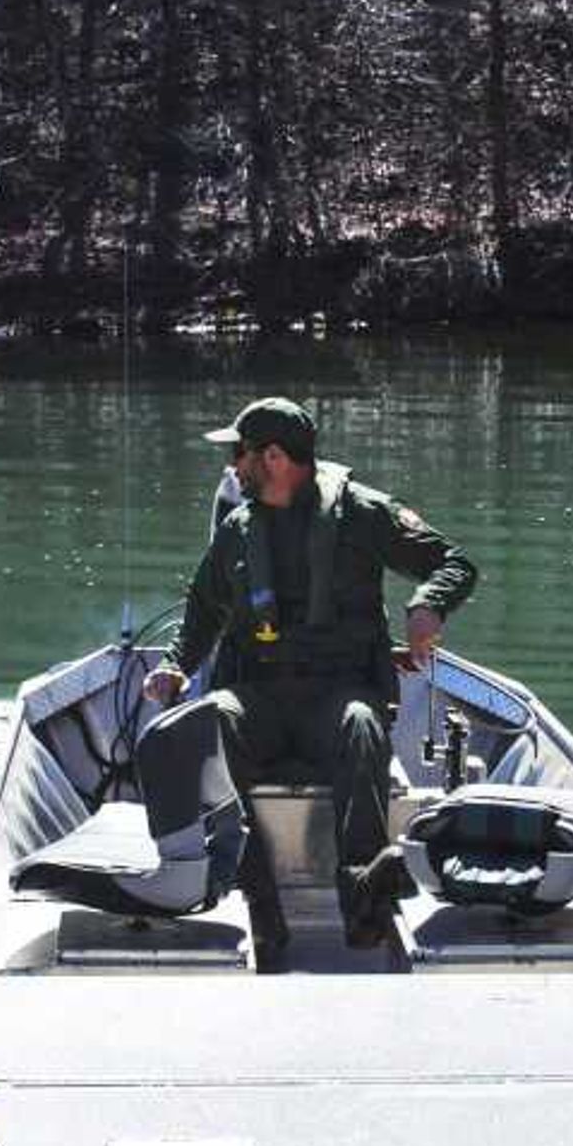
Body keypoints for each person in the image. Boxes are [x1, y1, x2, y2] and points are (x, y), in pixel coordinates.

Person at [138, 397, 478, 949]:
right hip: (257, 700)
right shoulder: (237, 528)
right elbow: (203, 611)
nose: (231, 468)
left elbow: (454, 563)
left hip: (336, 694)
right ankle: (251, 888)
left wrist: (428, 605)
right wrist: (176, 668)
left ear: (273, 457)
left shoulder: (364, 514)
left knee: (362, 725)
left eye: (239, 454)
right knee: (209, 722)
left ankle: (363, 888)